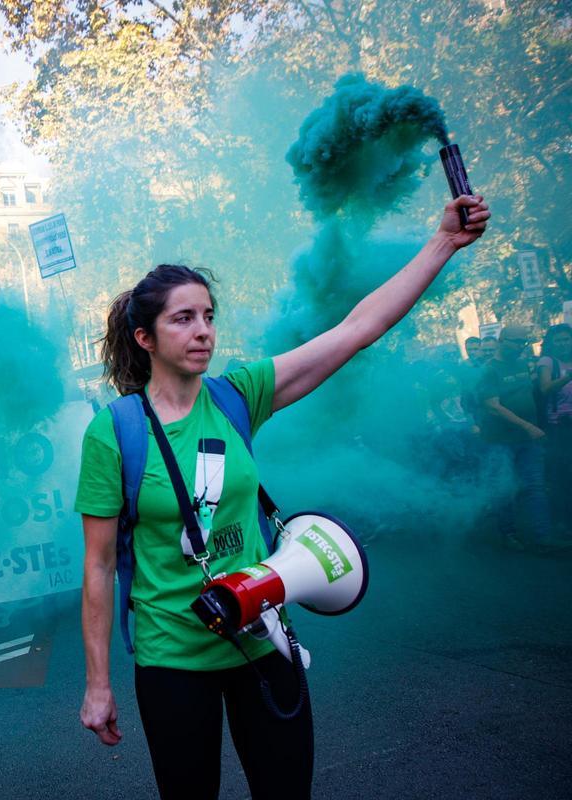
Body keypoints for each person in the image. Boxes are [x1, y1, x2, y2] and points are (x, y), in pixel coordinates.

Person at [76, 195, 490, 799]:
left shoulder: (238, 396)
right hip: (172, 660)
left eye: (208, 315)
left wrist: (443, 242)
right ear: (145, 337)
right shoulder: (114, 432)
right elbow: (97, 566)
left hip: (265, 636)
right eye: (183, 319)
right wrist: (97, 685)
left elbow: (356, 331)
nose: (203, 331)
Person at [476, 323, 554, 551]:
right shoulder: (488, 370)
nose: (522, 346)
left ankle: (542, 538)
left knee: (535, 486)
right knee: (504, 489)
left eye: (525, 341)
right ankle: (508, 534)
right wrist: (527, 426)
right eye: (517, 341)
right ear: (502, 340)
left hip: (527, 440)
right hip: (499, 441)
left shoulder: (522, 364)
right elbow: (493, 406)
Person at [538, 323, 572, 535]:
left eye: (566, 339)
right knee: (562, 476)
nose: (563, 344)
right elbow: (545, 389)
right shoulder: (547, 362)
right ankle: (562, 522)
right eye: (558, 340)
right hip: (560, 427)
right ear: (551, 343)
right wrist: (567, 377)